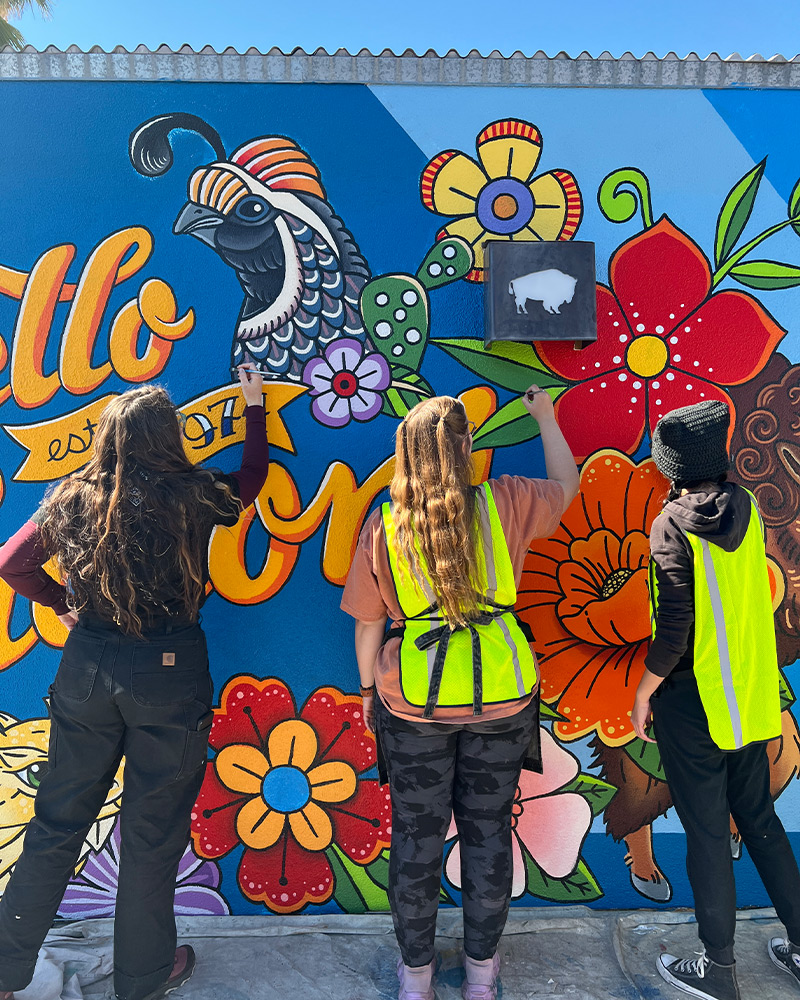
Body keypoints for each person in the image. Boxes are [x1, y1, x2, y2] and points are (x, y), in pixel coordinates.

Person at [0, 368, 267, 1000]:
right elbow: (252, 479)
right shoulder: (194, 494)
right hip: (169, 675)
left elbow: (11, 561)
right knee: (152, 835)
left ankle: (4, 975)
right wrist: (255, 409)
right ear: (167, 437)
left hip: (88, 667)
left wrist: (61, 601)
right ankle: (142, 979)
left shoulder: (73, 498)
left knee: (56, 824)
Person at [341, 387, 579, 1000]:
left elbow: (367, 625)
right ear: (467, 447)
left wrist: (367, 690)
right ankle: (480, 976)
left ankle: (416, 979)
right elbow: (567, 486)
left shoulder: (384, 525)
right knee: (488, 835)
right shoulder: (508, 501)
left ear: (405, 453)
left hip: (412, 707)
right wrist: (546, 418)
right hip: (503, 701)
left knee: (416, 841)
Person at [632, 399, 800, 1000]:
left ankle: (719, 971)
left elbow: (675, 626)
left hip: (692, 701)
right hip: (745, 693)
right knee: (759, 819)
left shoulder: (670, 525)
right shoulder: (746, 506)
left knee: (706, 830)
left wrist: (643, 692)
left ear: (671, 466)